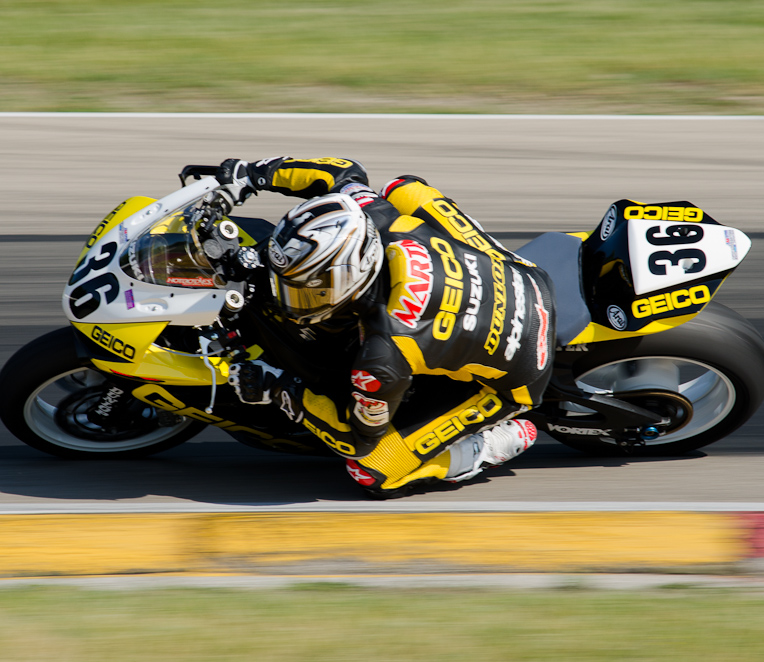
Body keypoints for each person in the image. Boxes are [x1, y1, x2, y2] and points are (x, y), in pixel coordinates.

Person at [219, 156, 554, 497]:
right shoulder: (374, 217)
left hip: (523, 366)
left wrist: (279, 389)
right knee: (401, 189)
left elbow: (357, 439)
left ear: (352, 276)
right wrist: (252, 175)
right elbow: (343, 173)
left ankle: (489, 446)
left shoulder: (383, 356)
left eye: (307, 291)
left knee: (373, 471)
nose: (289, 300)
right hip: (523, 274)